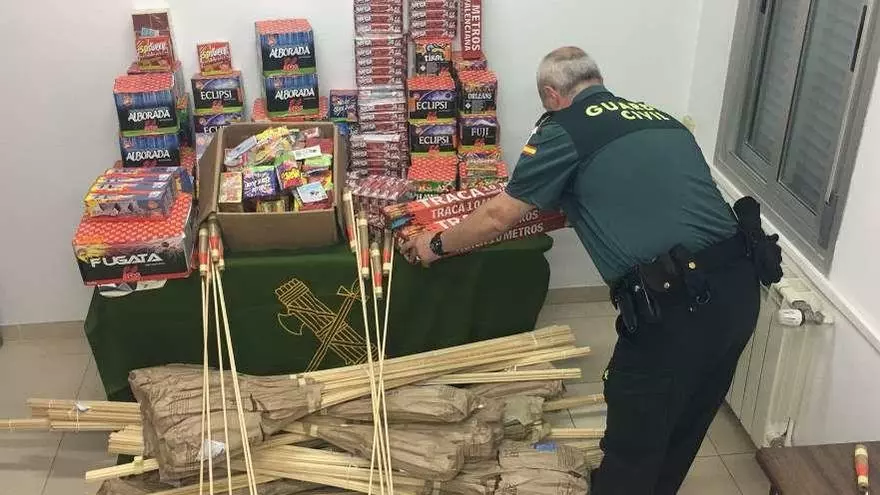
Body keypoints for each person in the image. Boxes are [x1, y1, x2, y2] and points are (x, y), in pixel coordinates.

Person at [402, 47, 778, 494]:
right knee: (685, 423)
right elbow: (646, 197)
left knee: (634, 438)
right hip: (741, 289)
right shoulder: (661, 119)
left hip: (676, 307)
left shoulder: (564, 130)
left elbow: (498, 217)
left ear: (551, 94)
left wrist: (435, 245)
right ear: (596, 80)